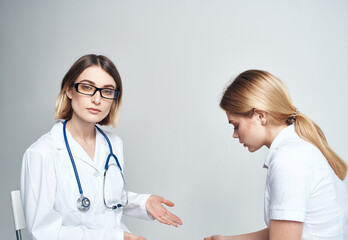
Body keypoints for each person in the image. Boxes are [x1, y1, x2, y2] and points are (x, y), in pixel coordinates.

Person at [20, 54, 182, 240]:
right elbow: (42, 234)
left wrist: (143, 203)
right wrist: (114, 237)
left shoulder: (113, 144)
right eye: (87, 88)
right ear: (69, 91)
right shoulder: (42, 153)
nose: (97, 99)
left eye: (107, 91)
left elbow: (108, 199)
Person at [204, 70, 348, 240]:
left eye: (236, 126)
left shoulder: (288, 160)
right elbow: (287, 229)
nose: (235, 135)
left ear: (260, 116)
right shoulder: (297, 149)